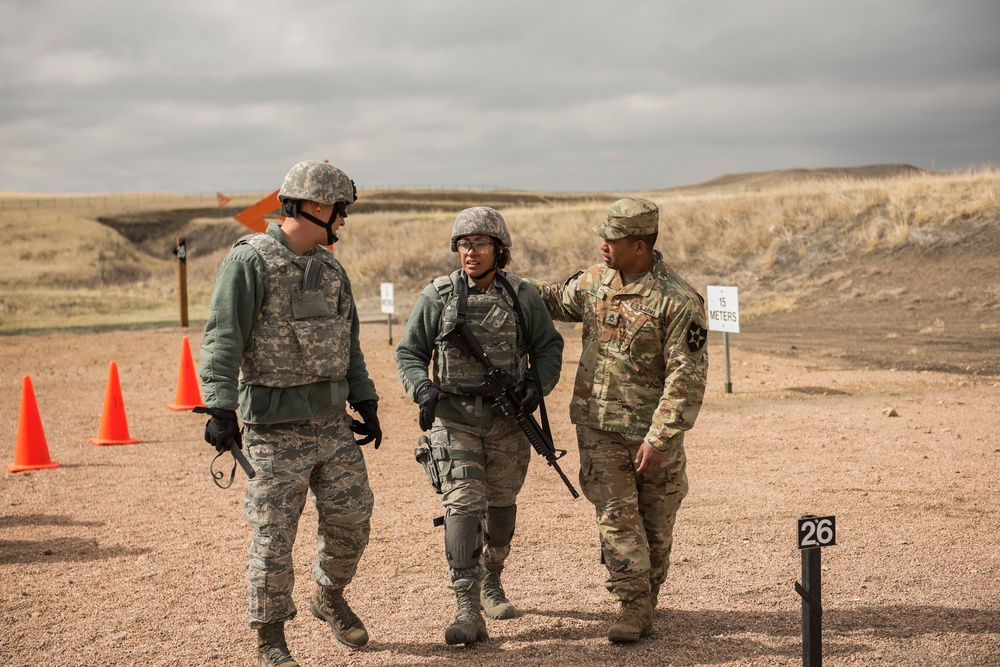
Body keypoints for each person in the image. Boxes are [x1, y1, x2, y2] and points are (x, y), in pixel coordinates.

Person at [198, 160, 383, 667]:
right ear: (316, 206)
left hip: (330, 425)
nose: (343, 221)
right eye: (340, 210)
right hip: (272, 430)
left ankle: (328, 594)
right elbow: (222, 339)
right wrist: (220, 407)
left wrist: (363, 399)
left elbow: (350, 344)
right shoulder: (250, 261)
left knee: (353, 520)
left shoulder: (331, 268)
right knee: (274, 538)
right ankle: (271, 640)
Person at [526, 198, 708, 643]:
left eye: (613, 239)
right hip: (598, 427)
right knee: (615, 514)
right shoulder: (593, 283)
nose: (603, 245)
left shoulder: (678, 301)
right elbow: (551, 298)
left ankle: (648, 592)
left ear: (640, 245)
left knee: (656, 524)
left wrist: (661, 437)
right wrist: (502, 278)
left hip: (650, 433)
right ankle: (632, 602)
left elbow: (687, 379)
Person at [395, 207, 564, 646]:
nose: (470, 252)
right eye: (464, 244)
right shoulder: (437, 295)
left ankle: (493, 579)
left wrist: (536, 384)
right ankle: (467, 606)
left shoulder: (523, 296)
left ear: (499, 250)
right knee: (463, 505)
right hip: (454, 420)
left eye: (481, 243)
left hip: (508, 421)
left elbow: (549, 347)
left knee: (502, 507)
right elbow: (409, 352)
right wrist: (423, 389)